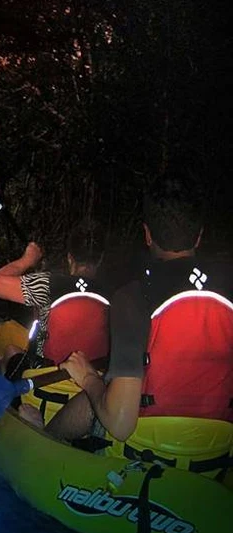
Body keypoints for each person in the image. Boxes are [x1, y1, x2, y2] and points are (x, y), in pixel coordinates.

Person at [47, 174, 233, 463]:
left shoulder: (132, 298)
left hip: (146, 452)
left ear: (147, 235)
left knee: (96, 394)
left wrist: (88, 378)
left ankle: (43, 438)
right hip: (219, 449)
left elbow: (120, 424)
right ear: (199, 235)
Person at [0, 222, 110, 378]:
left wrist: (28, 259)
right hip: (93, 378)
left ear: (70, 258)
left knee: (11, 351)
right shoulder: (113, 292)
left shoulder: (48, 285)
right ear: (100, 259)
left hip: (46, 378)